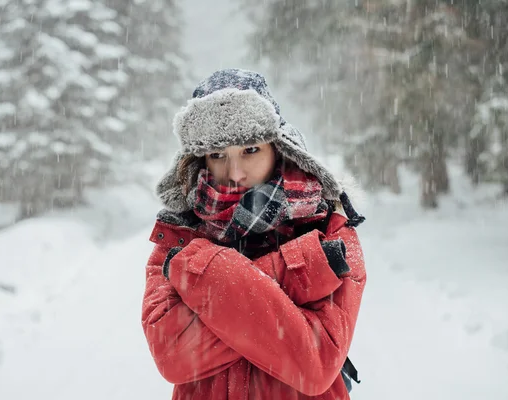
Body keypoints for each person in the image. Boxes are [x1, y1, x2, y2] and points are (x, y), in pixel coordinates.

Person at [142, 68, 366, 400]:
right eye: (218, 154)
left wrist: (203, 268)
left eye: (249, 150)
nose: (234, 172)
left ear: (277, 147)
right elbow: (173, 355)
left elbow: (315, 363)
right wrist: (296, 276)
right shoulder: (179, 235)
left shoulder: (328, 227)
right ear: (200, 160)